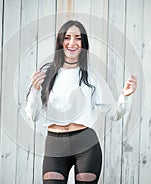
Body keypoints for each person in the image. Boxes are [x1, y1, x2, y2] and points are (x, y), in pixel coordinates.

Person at [25, 20, 137, 184]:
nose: (72, 43)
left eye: (78, 38)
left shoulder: (91, 75)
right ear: (60, 42)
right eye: (67, 38)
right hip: (55, 145)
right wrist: (35, 90)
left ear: (83, 43)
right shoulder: (46, 73)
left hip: (86, 144)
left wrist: (125, 96)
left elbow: (114, 113)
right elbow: (33, 116)